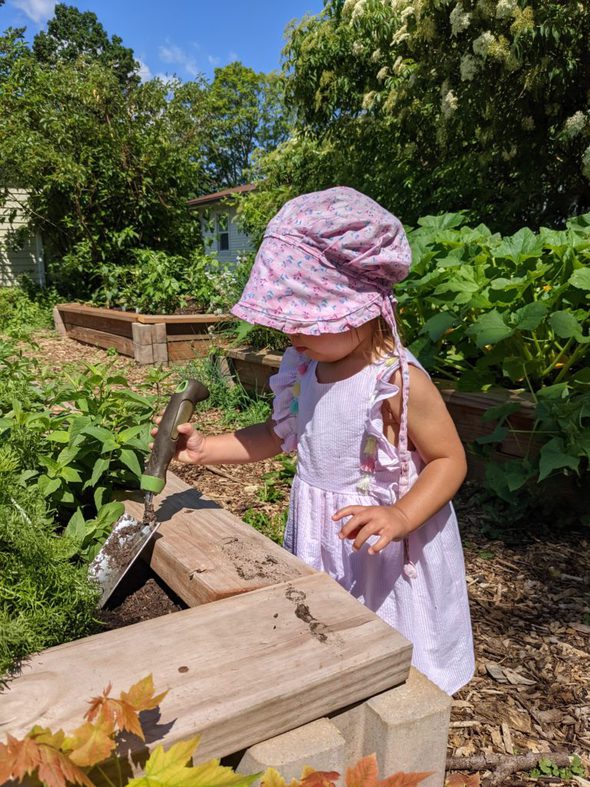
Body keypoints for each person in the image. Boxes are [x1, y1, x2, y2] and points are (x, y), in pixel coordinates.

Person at [152, 186, 474, 695]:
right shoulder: (304, 368)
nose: (290, 333)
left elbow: (448, 459)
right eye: (285, 322)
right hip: (324, 535)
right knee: (328, 628)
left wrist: (401, 515)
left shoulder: (394, 381)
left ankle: (405, 703)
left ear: (359, 308)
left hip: (383, 545)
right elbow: (276, 436)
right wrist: (206, 448)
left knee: (397, 646)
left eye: (304, 319)